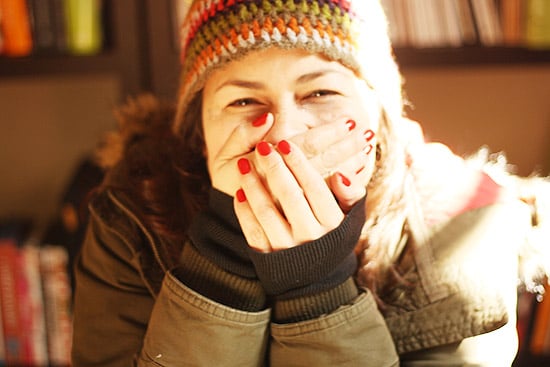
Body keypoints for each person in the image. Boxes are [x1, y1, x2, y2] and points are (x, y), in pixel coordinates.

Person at [71, 1, 550, 366]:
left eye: (320, 92)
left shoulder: (462, 225)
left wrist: (318, 292)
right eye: (242, 102)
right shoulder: (131, 213)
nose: (283, 132)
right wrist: (222, 264)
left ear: (377, 113)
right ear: (199, 131)